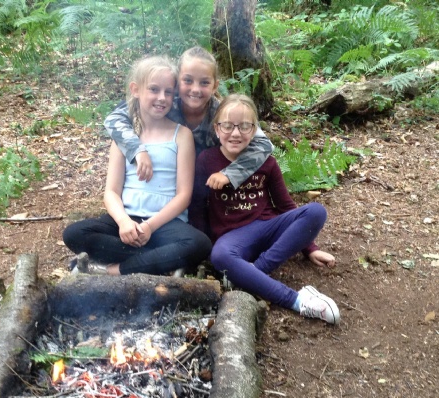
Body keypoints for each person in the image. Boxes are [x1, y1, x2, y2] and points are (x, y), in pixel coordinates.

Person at [189, 94, 340, 325]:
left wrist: (310, 248)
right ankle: (297, 301)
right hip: (233, 238)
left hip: (268, 228)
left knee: (316, 212)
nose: (236, 133)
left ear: (254, 130)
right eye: (228, 126)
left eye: (244, 126)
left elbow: (286, 205)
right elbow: (198, 208)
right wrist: (206, 248)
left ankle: (255, 271)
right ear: (217, 129)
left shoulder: (266, 162)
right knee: (220, 255)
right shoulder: (206, 160)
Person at [63, 55, 212, 276]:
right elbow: (111, 192)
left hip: (164, 223)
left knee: (199, 244)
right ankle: (160, 260)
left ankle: (113, 269)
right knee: (74, 233)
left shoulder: (181, 135)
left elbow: (183, 196)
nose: (161, 98)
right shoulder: (124, 137)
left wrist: (150, 226)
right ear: (136, 90)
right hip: (127, 218)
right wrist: (123, 221)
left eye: (168, 92)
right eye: (154, 89)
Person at [104, 46, 273, 191]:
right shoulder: (166, 104)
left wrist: (229, 174)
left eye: (204, 83)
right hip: (167, 186)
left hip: (212, 188)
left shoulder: (223, 113)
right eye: (188, 80)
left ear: (215, 86)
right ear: (177, 83)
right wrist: (137, 150)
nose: (195, 89)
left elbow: (264, 144)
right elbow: (114, 119)